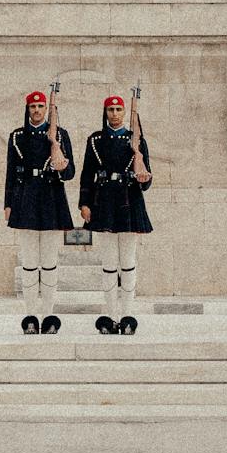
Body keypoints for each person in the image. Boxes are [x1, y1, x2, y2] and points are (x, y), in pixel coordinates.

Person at [77, 93, 152, 334]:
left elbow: (146, 178)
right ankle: (110, 315)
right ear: (105, 112)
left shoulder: (136, 141)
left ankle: (128, 314)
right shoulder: (96, 140)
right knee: (109, 264)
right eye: (111, 110)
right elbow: (87, 173)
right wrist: (84, 203)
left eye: (119, 110)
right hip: (105, 203)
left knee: (128, 262)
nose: (115, 114)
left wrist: (143, 178)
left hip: (129, 201)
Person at [3, 90, 76, 335]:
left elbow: (70, 173)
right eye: (33, 106)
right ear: (27, 109)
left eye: (40, 106)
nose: (36, 110)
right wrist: (8, 204)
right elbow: (11, 174)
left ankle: (48, 314)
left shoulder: (60, 135)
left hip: (51, 198)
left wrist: (61, 166)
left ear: (47, 109)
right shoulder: (18, 136)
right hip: (25, 199)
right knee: (30, 263)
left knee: (49, 262)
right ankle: (31, 315)